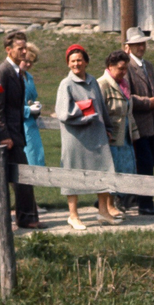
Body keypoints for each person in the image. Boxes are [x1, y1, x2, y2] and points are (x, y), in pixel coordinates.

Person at [55, 43, 121, 230]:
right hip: (75, 138)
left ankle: (103, 212)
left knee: (104, 170)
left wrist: (107, 127)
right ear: (68, 64)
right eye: (73, 61)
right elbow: (62, 113)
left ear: (86, 62)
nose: (76, 64)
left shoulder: (93, 82)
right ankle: (73, 215)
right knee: (72, 174)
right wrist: (83, 108)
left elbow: (101, 107)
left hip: (97, 135)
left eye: (79, 60)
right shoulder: (65, 85)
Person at [0, 30, 44, 230]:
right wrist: (4, 136)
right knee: (1, 178)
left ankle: (25, 218)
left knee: (20, 177)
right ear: (8, 50)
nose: (24, 51)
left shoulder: (18, 73)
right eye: (20, 48)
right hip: (5, 137)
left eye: (25, 47)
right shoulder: (0, 72)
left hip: (16, 135)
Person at [123, 27, 154, 215]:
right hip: (136, 124)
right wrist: (146, 103)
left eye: (142, 43)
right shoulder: (126, 67)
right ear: (128, 46)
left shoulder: (148, 66)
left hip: (151, 125)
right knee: (143, 162)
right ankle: (145, 203)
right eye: (136, 44)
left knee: (150, 163)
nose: (140, 47)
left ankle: (135, 198)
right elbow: (126, 97)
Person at [98, 50, 138, 186]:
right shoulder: (102, 85)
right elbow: (99, 112)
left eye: (126, 68)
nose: (124, 72)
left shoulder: (124, 85)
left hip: (126, 138)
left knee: (128, 170)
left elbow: (128, 111)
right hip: (112, 139)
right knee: (115, 171)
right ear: (110, 66)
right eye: (121, 69)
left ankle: (124, 200)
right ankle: (112, 201)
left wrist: (134, 132)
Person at [21, 42, 46, 168]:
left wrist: (36, 106)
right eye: (26, 61)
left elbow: (31, 98)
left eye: (32, 62)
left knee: (35, 155)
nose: (29, 64)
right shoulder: (13, 76)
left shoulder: (29, 77)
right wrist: (28, 109)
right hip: (19, 123)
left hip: (30, 123)